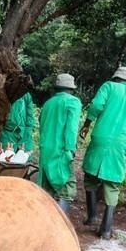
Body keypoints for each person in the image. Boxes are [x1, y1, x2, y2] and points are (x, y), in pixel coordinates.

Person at [80, 66, 126, 238]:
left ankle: (92, 216)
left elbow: (95, 106)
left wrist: (86, 125)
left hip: (101, 137)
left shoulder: (108, 87)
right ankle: (106, 229)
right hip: (121, 143)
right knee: (112, 183)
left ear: (116, 77)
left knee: (90, 175)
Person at [35, 73, 82, 213]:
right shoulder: (73, 102)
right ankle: (61, 224)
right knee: (67, 187)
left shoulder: (48, 103)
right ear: (71, 88)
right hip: (61, 150)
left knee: (47, 188)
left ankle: (44, 222)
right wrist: (70, 150)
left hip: (45, 150)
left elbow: (42, 126)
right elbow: (71, 129)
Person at [0, 91, 37, 178]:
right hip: (6, 133)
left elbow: (29, 116)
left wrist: (27, 133)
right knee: (4, 162)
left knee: (22, 163)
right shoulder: (4, 91)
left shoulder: (26, 95)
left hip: (23, 132)